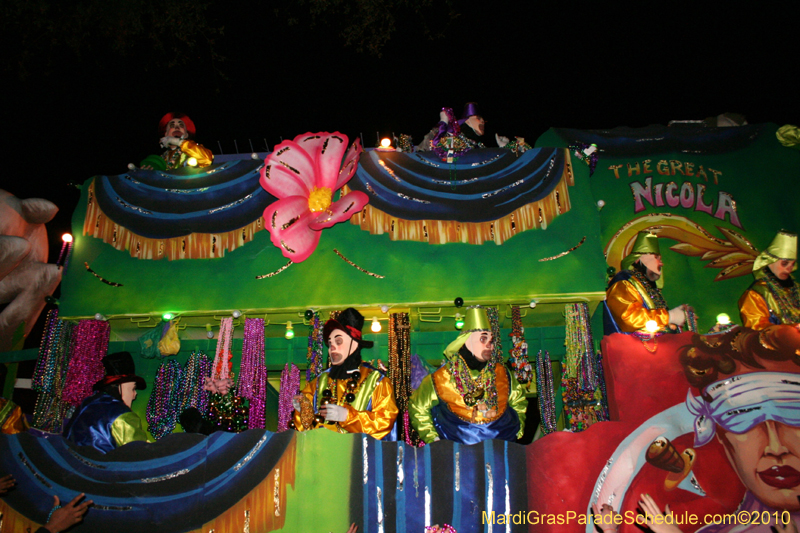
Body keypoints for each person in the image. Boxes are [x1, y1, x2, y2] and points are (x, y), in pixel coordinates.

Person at [408, 305, 527, 445]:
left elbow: (519, 400)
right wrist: (434, 440)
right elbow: (417, 407)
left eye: (491, 340)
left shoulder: (502, 373)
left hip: (502, 451)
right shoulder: (440, 378)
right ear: (466, 342)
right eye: (483, 339)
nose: (490, 346)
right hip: (458, 456)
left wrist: (518, 428)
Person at [292, 308, 398, 440]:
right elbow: (304, 430)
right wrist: (302, 411)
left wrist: (348, 416)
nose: (332, 348)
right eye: (330, 343)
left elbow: (385, 422)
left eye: (339, 341)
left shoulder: (377, 382)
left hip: (360, 457)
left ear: (354, 343)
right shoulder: (320, 382)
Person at [604, 231, 693, 335]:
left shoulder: (646, 285)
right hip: (635, 349)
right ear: (638, 261)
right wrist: (670, 316)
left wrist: (673, 320)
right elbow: (630, 318)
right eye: (656, 258)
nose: (661, 263)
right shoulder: (623, 282)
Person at [63, 351, 150, 453]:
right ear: (120, 387)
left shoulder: (88, 403)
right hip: (102, 466)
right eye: (132, 389)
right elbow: (140, 453)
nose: (134, 394)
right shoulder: (121, 414)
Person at [739, 230, 800, 330]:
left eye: (792, 264)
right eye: (784, 264)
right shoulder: (755, 293)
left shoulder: (796, 289)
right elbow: (757, 327)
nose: (789, 268)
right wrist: (792, 329)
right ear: (770, 262)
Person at [141, 112, 214, 170]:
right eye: (172, 126)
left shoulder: (195, 149)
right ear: (166, 134)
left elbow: (207, 160)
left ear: (186, 134)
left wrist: (178, 142)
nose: (176, 127)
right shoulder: (161, 159)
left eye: (181, 125)